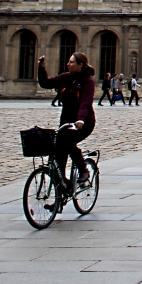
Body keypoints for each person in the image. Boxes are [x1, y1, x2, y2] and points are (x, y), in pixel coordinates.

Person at [37, 51, 96, 188]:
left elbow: (85, 102)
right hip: (66, 121)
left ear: (80, 65)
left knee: (68, 142)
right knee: (59, 151)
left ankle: (83, 169)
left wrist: (80, 119)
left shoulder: (87, 81)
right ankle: (61, 187)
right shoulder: (66, 77)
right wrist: (41, 68)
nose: (68, 64)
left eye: (71, 62)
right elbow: (46, 83)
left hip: (84, 122)